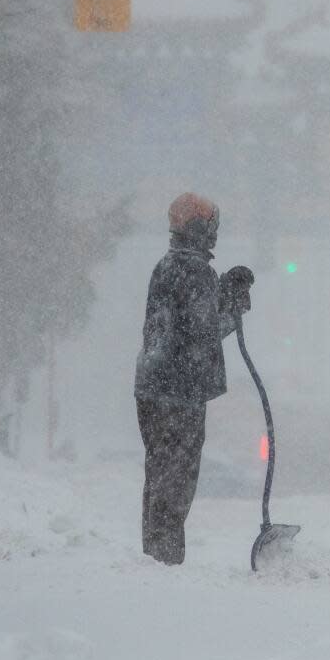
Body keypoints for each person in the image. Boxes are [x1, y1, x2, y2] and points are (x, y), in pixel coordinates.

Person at [133, 192, 255, 565]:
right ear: (200, 229)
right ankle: (165, 558)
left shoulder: (167, 266)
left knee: (159, 470)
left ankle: (155, 555)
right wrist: (232, 308)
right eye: (211, 227)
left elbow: (183, 321)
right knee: (177, 477)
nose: (215, 235)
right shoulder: (195, 271)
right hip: (179, 390)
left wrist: (222, 295)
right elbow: (202, 331)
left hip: (152, 386)